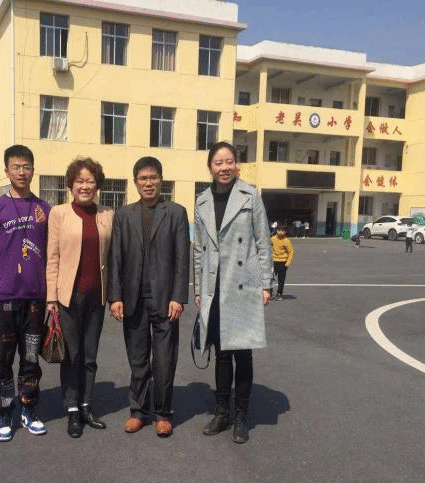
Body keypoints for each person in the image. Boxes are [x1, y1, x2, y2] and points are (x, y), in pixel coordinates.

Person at [193, 141, 272, 444]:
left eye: (229, 162)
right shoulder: (202, 200)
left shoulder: (250, 195)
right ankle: (222, 412)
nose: (224, 167)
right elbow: (199, 250)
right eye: (218, 162)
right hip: (215, 287)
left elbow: (263, 242)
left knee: (243, 353)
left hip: (243, 284)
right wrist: (199, 288)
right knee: (221, 354)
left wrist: (266, 284)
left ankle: (241, 417)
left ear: (236, 165)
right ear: (210, 167)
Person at [107, 156, 189, 438]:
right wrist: (115, 297)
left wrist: (178, 296)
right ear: (135, 182)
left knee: (164, 360)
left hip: (165, 299)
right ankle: (138, 411)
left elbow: (182, 257)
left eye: (153, 177)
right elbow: (116, 257)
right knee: (138, 358)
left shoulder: (176, 213)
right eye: (143, 178)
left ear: (161, 180)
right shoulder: (124, 214)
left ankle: (163, 413)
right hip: (133, 299)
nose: (148, 183)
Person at [0, 145, 50, 441]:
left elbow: (51, 252)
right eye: (16, 167)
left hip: (35, 297)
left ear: (33, 170)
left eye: (26, 166)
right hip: (3, 297)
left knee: (31, 359)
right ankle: (3, 411)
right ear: (7, 171)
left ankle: (29, 409)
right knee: (2, 359)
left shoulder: (44, 210)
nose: (22, 172)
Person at [46, 158, 114, 438]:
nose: (85, 186)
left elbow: (113, 257)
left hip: (97, 297)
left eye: (90, 181)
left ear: (97, 185)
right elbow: (52, 257)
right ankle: (72, 409)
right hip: (68, 297)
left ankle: (86, 405)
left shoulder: (108, 214)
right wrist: (51, 298)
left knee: (90, 356)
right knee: (72, 356)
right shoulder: (59, 213)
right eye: (80, 181)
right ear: (71, 185)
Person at [271, 224, 294, 300]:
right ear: (276, 230)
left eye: (282, 231)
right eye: (279, 230)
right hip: (273, 262)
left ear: (285, 232)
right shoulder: (273, 239)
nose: (280, 232)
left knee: (281, 280)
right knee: (270, 278)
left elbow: (291, 252)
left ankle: (279, 293)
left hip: (283, 263)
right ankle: (269, 292)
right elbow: (267, 247)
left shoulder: (286, 241)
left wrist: (288, 263)